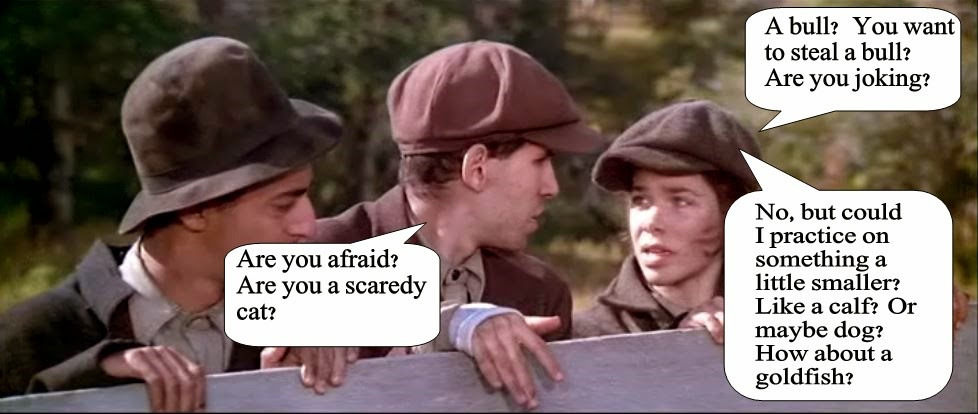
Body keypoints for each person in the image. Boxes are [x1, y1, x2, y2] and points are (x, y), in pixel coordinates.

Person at [0, 37, 355, 412]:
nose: (308, 225)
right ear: (195, 210)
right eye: (283, 204)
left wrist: (300, 394)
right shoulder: (32, 341)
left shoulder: (305, 319)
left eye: (305, 194)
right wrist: (80, 389)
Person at [314, 40, 604, 410]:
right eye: (539, 162)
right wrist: (450, 323)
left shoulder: (540, 294)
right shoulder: (320, 255)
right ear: (477, 168)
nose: (551, 187)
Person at [573, 99, 971, 342]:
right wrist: (680, 356)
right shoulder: (585, 338)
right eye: (641, 200)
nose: (651, 221)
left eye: (680, 200)